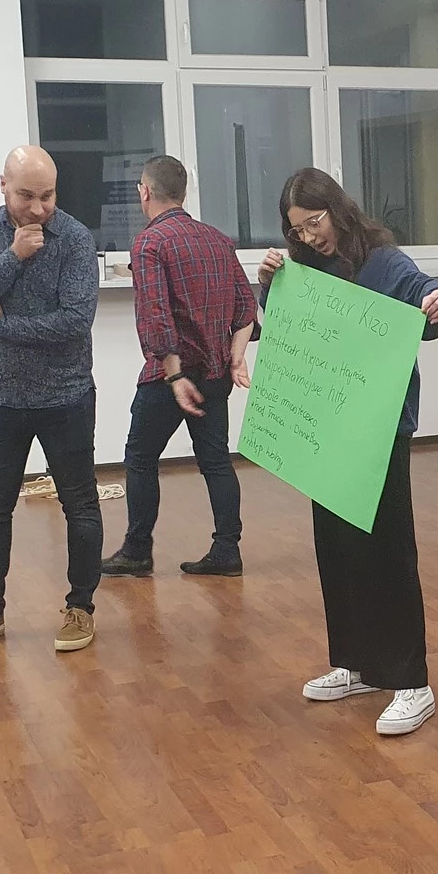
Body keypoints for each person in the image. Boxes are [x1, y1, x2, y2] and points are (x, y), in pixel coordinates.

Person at [258, 168, 438, 737]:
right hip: (328, 428)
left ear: (337, 210)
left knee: (388, 551)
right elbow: (288, 325)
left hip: (380, 427)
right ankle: (357, 664)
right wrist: (269, 284)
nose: (308, 236)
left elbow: (429, 304)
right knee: (337, 549)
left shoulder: (383, 262)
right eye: (297, 229)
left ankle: (412, 681)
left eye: (314, 223)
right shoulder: (304, 267)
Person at [0, 146, 102, 655]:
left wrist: (3, 325)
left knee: (80, 505)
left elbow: (74, 321)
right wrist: (13, 257)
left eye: (47, 196)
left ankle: (81, 608)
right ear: (3, 186)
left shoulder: (74, 238)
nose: (38, 208)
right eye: (26, 195)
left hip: (66, 396)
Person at [100, 154, 257, 579]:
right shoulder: (219, 240)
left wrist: (174, 376)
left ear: (144, 192)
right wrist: (236, 355)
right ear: (184, 193)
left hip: (169, 378)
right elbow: (246, 308)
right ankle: (227, 550)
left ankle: (137, 550)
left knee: (140, 457)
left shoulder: (149, 243)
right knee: (216, 461)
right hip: (215, 374)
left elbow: (157, 316)